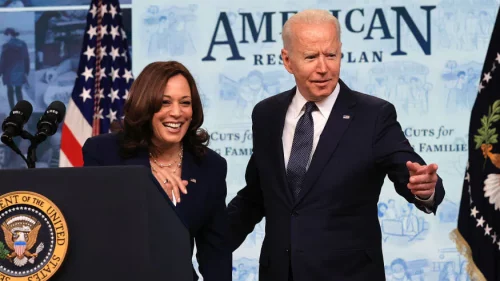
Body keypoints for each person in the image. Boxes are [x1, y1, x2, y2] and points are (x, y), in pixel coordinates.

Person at [226, 9, 445, 281]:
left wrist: (426, 189)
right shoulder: (266, 114)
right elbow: (257, 195)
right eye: (310, 57)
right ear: (287, 60)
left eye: (331, 55)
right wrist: (207, 240)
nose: (323, 68)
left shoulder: (374, 115)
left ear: (340, 52)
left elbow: (410, 172)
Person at [82, 61, 231, 281]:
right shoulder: (103, 153)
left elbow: (215, 252)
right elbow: (91, 231)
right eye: (164, 102)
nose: (177, 113)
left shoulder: (211, 166)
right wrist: (145, 187)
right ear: (145, 104)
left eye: (185, 103)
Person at [0, 27, 30, 110]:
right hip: (20, 71)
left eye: (5, 35)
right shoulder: (23, 44)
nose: (4, 37)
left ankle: (12, 109)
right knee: (18, 90)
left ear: (9, 35)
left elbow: (2, 62)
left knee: (10, 91)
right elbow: (26, 58)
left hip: (8, 73)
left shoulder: (5, 46)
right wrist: (26, 71)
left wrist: (0, 72)